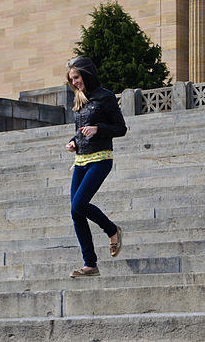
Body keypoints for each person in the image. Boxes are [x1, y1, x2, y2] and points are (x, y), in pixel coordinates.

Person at [65, 56, 127, 277]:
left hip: (101, 158)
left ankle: (112, 230)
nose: (74, 83)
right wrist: (74, 141)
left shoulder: (105, 97)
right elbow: (81, 128)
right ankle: (90, 264)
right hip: (81, 160)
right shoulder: (80, 98)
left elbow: (121, 128)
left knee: (80, 204)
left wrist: (98, 128)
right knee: (75, 211)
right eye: (71, 79)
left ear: (86, 74)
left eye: (77, 77)